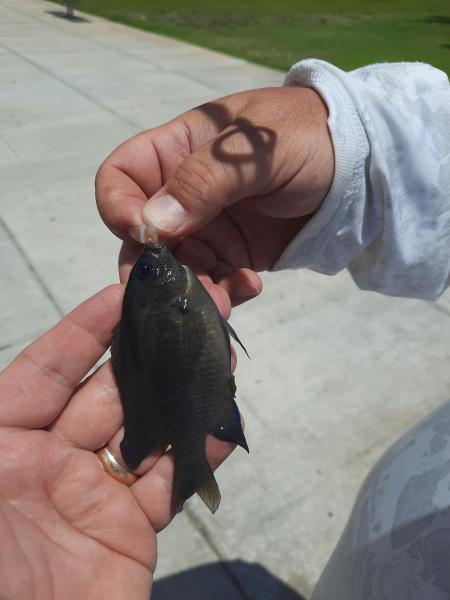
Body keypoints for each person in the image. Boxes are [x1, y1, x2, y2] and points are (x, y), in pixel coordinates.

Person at [0, 58, 448, 599]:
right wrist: (350, 139)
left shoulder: (176, 291)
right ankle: (190, 454)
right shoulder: (184, 288)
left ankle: (190, 453)